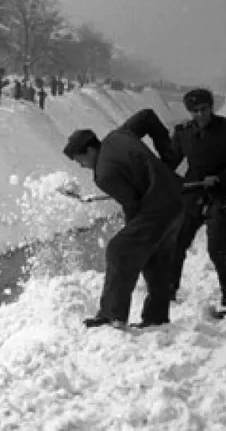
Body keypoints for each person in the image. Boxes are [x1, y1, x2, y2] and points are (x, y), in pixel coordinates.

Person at [63, 109, 183, 328]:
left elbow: (132, 204)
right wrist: (168, 157)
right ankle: (156, 318)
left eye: (80, 160)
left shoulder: (103, 174)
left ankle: (112, 315)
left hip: (157, 207)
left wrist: (133, 233)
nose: (82, 165)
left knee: (119, 250)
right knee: (156, 258)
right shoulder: (119, 134)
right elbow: (148, 116)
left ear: (90, 150)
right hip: (177, 199)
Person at [168, 88, 226, 316]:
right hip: (193, 194)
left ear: (211, 107)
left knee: (217, 247)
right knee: (176, 243)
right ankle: (169, 291)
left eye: (203, 109)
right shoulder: (183, 133)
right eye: (194, 111)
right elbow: (170, 162)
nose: (200, 115)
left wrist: (221, 178)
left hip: (222, 195)